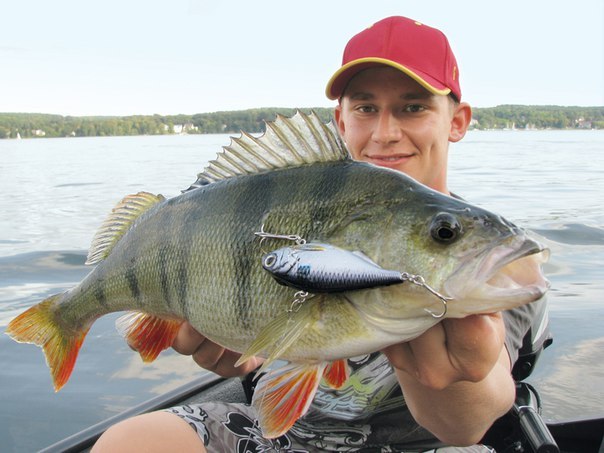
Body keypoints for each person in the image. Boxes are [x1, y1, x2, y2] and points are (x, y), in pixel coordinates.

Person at [93, 16, 541, 452]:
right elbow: (270, 344)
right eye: (366, 108)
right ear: (341, 121)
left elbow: (470, 421)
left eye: (413, 106)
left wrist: (460, 387)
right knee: (126, 443)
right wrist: (245, 350)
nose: (385, 132)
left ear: (457, 120)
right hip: (289, 437)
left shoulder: (492, 254)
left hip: (419, 446)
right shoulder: (303, 200)